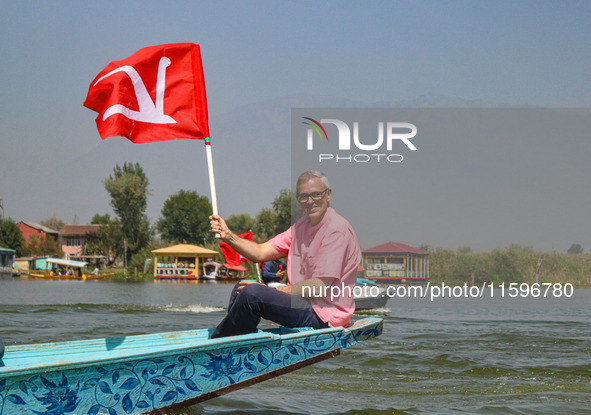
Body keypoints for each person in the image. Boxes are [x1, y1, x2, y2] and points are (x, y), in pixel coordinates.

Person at [209, 170, 361, 338]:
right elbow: (259, 252)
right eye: (304, 197)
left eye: (316, 195)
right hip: (303, 303)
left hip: (324, 315)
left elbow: (319, 286)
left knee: (252, 294)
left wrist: (273, 289)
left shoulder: (336, 230)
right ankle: (237, 340)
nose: (310, 201)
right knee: (242, 288)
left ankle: (220, 346)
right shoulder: (300, 227)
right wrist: (227, 235)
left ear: (328, 194)